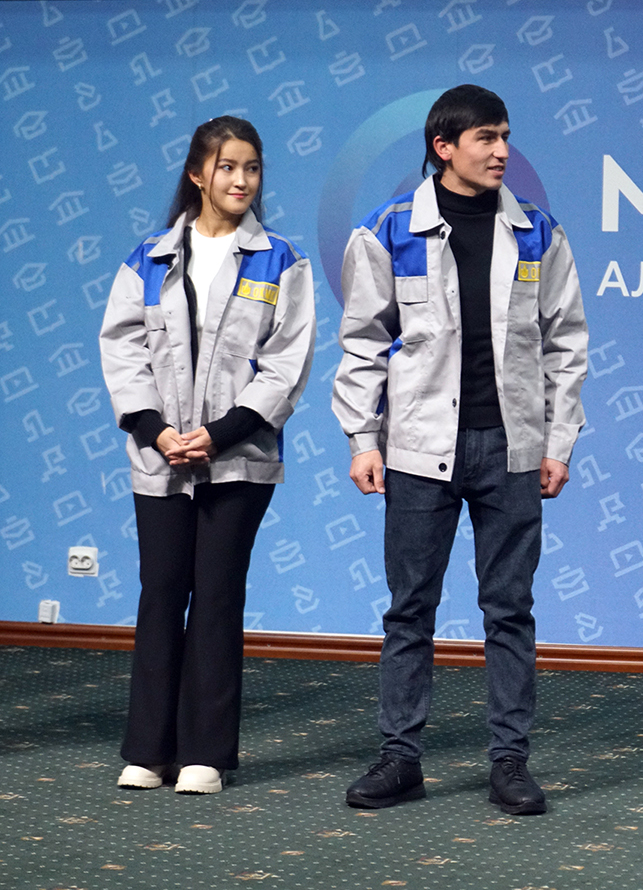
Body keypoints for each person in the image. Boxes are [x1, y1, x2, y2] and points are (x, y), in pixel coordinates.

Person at [332, 84, 588, 814]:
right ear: (443, 147)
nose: (502, 150)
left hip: (511, 448)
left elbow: (566, 344)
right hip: (418, 449)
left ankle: (510, 762)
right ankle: (399, 759)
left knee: (510, 611)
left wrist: (559, 440)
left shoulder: (538, 233)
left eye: (505, 136)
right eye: (486, 138)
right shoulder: (389, 231)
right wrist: (362, 438)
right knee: (409, 610)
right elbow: (361, 344)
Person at [99, 116, 317, 795]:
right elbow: (122, 350)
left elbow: (286, 363)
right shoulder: (149, 258)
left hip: (238, 457)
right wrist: (156, 430)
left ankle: (205, 754)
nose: (241, 180)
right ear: (198, 174)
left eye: (252, 167)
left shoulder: (281, 260)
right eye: (227, 167)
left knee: (218, 595)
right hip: (160, 457)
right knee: (162, 593)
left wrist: (220, 433)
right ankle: (148, 750)